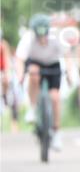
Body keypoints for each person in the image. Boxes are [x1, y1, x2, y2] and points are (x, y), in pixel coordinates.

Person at [15, 14, 72, 150]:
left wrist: (69, 74)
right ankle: (33, 109)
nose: (42, 38)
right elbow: (19, 59)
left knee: (55, 97)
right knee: (33, 73)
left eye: (44, 34)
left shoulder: (56, 37)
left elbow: (67, 56)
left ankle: (57, 132)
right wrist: (20, 75)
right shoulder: (28, 38)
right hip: (36, 63)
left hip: (53, 64)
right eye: (38, 35)